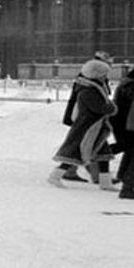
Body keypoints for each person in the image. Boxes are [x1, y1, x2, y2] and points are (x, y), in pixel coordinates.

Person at [47, 58, 117, 190]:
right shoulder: (88, 91)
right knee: (75, 154)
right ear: (96, 74)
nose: (105, 77)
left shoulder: (93, 88)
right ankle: (55, 176)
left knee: (103, 155)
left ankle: (105, 182)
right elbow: (100, 108)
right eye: (103, 74)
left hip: (95, 127)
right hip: (87, 128)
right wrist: (111, 107)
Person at [113, 66, 134, 199]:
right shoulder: (131, 87)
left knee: (130, 151)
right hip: (128, 124)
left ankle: (123, 177)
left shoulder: (125, 85)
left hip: (124, 124)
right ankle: (128, 186)